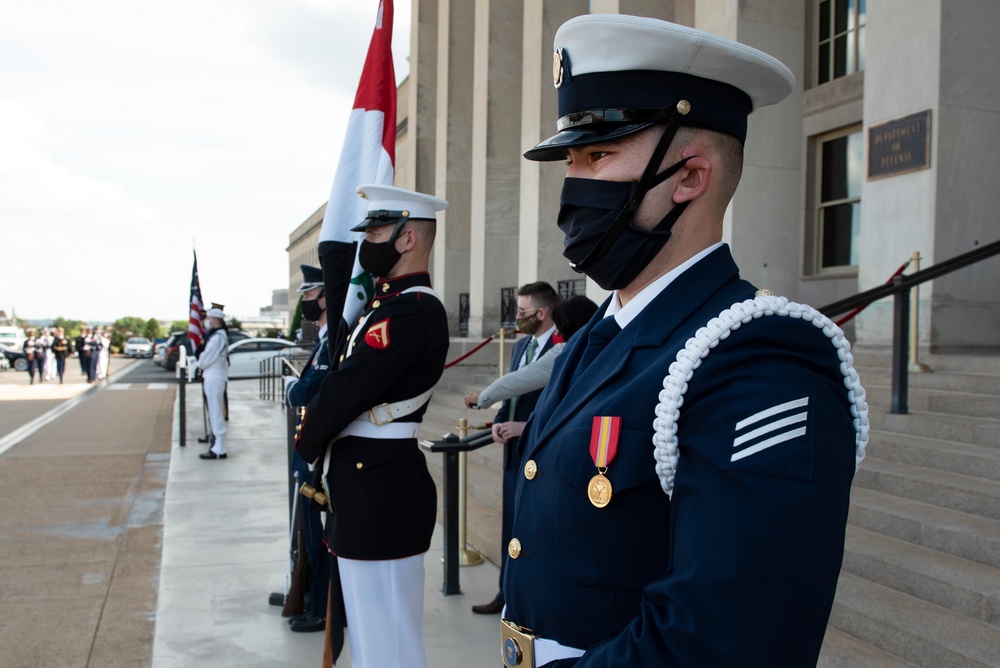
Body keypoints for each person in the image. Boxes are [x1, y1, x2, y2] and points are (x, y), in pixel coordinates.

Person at [499, 15, 869, 667]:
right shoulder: (599, 337)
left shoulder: (759, 357)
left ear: (691, 177)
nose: (573, 186)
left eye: (599, 156)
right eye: (573, 160)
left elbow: (721, 641)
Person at [295, 184, 449, 668]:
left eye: (378, 231)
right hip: (364, 482)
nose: (368, 242)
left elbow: (349, 387)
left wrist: (308, 436)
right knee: (367, 635)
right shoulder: (386, 305)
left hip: (381, 484)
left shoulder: (411, 309)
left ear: (407, 239)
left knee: (389, 643)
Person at [472, 282, 559, 616]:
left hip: (541, 449)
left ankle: (531, 599)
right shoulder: (521, 345)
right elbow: (511, 389)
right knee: (511, 524)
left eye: (522, 312)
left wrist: (526, 427)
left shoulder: (564, 345)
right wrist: (498, 418)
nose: (517, 317)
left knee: (537, 526)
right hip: (513, 450)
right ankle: (505, 593)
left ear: (542, 312)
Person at [282, 264, 332, 633]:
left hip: (317, 454)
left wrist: (290, 390)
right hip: (308, 448)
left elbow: (310, 388)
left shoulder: (333, 342)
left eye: (309, 296)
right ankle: (308, 595)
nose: (305, 304)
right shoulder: (324, 338)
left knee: (317, 537)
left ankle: (321, 607)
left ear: (325, 297)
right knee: (307, 533)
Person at [465, 295, 597, 410]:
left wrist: (481, 399)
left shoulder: (567, 352)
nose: (556, 331)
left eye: (558, 325)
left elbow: (520, 379)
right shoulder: (605, 345)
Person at [198, 307, 230, 460]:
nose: (207, 321)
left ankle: (220, 447)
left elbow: (205, 359)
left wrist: (199, 361)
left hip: (214, 376)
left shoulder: (217, 337)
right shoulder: (218, 335)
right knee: (214, 410)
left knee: (216, 411)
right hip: (213, 375)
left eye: (209, 318)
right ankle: (217, 443)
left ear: (215, 320)